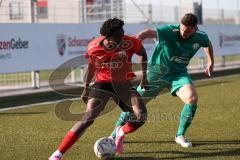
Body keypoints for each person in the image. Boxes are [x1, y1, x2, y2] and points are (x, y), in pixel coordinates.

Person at [48, 18, 149, 160]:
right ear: (107, 37)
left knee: (141, 116)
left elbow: (143, 53)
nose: (122, 37)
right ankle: (57, 154)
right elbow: (91, 66)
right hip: (102, 83)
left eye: (123, 33)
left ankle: (120, 130)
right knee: (88, 118)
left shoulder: (130, 42)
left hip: (124, 84)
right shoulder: (93, 47)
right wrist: (86, 87)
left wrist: (145, 77)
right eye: (119, 36)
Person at [110, 13, 214, 148]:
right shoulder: (169, 31)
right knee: (133, 104)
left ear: (195, 28)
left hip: (178, 74)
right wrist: (137, 39)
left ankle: (180, 135)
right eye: (182, 29)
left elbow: (207, 43)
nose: (183, 33)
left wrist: (211, 61)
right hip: (157, 73)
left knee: (192, 98)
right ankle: (114, 134)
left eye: (188, 31)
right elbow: (148, 32)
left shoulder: (201, 36)